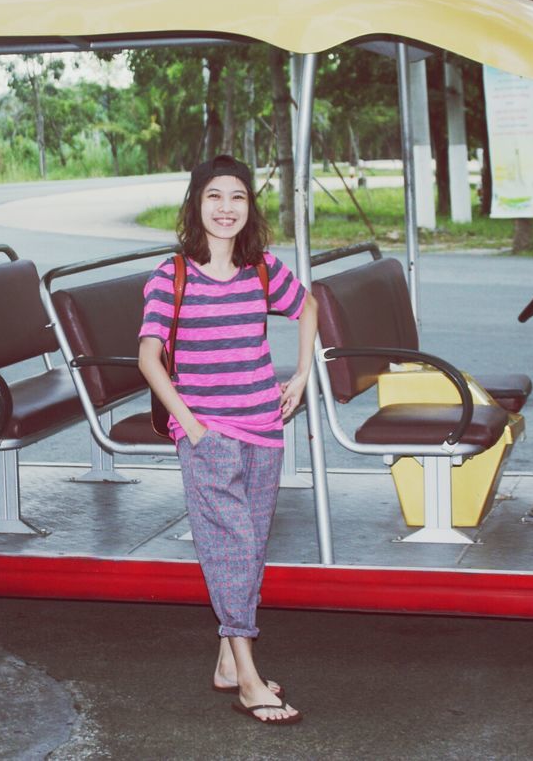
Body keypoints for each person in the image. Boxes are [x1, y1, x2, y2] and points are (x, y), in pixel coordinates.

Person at [138, 154, 317, 726]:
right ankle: (246, 676)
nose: (225, 208)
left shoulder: (261, 267)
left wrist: (302, 373)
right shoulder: (173, 275)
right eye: (214, 196)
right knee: (232, 546)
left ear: (249, 207)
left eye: (237, 197)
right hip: (208, 435)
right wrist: (190, 424)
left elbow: (309, 306)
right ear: (195, 204)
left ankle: (223, 660)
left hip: (265, 428)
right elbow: (148, 357)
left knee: (251, 546)